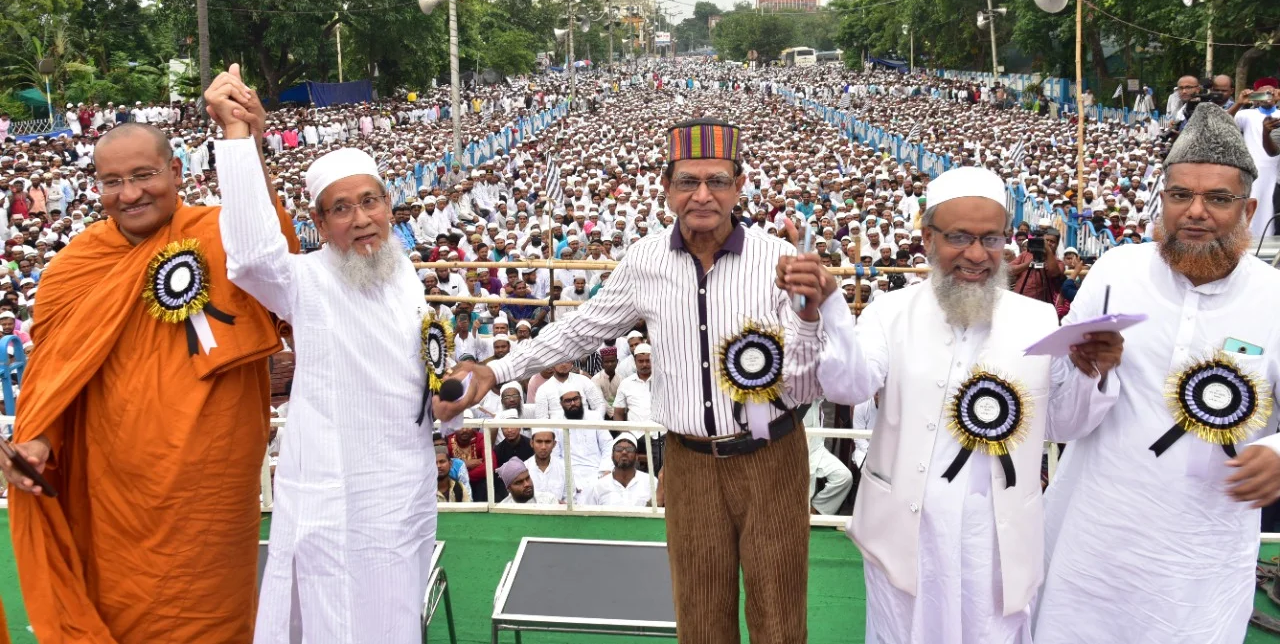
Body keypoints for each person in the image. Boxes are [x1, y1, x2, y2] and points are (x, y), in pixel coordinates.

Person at [438, 118, 827, 644]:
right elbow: (580, 329)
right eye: (688, 181)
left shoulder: (777, 261)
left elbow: (806, 383)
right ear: (666, 189)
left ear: (739, 186)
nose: (703, 195)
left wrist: (808, 318)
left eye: (717, 180)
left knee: (780, 619)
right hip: (688, 463)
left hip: (772, 456)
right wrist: (498, 369)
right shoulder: (645, 260)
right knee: (700, 617)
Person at [2, 120, 297, 644]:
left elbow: (275, 257)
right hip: (112, 492)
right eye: (112, 181)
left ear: (176, 171)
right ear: (96, 186)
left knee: (209, 618)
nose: (129, 193)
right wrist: (40, 441)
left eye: (143, 175)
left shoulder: (222, 234)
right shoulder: (74, 268)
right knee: (119, 612)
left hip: (208, 490)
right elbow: (58, 377)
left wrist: (244, 139)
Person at [816, 166, 1123, 644]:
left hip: (997, 539)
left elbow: (1064, 424)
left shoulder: (1039, 319)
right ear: (928, 237)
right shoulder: (888, 313)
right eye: (959, 237)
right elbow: (847, 386)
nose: (977, 255)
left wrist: (1091, 373)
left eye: (992, 239)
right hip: (905, 531)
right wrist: (831, 311)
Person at [206, 66, 436, 644]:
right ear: (319, 222)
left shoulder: (402, 269)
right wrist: (239, 138)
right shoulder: (303, 281)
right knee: (335, 616)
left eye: (369, 202)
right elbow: (254, 256)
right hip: (339, 492)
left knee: (395, 618)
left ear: (389, 204)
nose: (361, 219)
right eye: (341, 209)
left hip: (403, 484)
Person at [1036, 103, 1280, 644]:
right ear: (1161, 202)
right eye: (1180, 196)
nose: (1196, 211)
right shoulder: (1115, 272)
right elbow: (1059, 417)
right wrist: (1088, 373)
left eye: (1218, 198)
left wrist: (1276, 455)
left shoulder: (1275, 297)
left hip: (1202, 558)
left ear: (1250, 207)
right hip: (1092, 539)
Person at [1230, 78, 1279, 239]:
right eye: (1262, 93)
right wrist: (1239, 103)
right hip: (1252, 171)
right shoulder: (1246, 115)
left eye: (1270, 92)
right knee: (1251, 206)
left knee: (1270, 209)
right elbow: (1222, 122)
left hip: (1275, 172)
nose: (1267, 96)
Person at [580, 433, 661, 507]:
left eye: (629, 449)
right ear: (612, 456)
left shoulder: (651, 482)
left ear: (637, 457)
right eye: (619, 449)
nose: (624, 452)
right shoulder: (598, 486)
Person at [527, 427, 566, 502]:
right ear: (532, 443)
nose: (543, 447)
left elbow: (570, 498)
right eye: (539, 441)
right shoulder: (524, 468)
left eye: (547, 442)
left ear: (554, 444)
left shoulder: (564, 468)